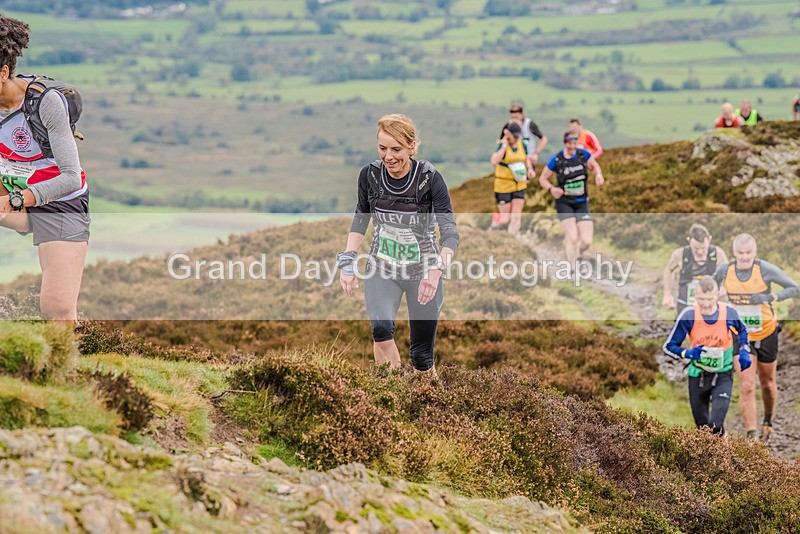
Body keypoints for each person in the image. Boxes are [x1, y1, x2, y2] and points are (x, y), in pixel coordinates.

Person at [338, 114, 458, 375]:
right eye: (382, 148)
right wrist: (347, 260)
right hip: (382, 268)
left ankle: (426, 404)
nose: (388, 156)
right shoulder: (369, 176)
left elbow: (450, 234)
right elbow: (361, 219)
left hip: (423, 273)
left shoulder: (429, 178)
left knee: (422, 356)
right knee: (381, 332)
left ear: (412, 146)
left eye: (396, 149)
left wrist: (436, 271)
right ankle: (391, 392)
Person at [0, 14, 89, 323]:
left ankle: (73, 367)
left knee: (57, 310)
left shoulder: (45, 102)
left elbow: (70, 176)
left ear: (3, 73)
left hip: (58, 199)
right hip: (11, 190)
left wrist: (15, 200)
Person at [714, 233, 800, 441]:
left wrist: (771, 297)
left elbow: (795, 288)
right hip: (741, 336)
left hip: (767, 332)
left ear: (755, 252)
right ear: (734, 253)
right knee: (746, 385)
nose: (744, 257)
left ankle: (768, 420)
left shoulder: (765, 270)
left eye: (748, 253)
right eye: (740, 253)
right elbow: (708, 289)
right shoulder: (725, 271)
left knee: (768, 383)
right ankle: (752, 438)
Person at [663, 276, 752, 436]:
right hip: (698, 375)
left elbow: (742, 331)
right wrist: (687, 353)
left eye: (709, 299)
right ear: (695, 296)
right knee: (703, 429)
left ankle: (725, 458)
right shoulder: (689, 315)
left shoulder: (728, 312)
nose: (705, 304)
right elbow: (669, 346)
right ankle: (710, 459)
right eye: (701, 299)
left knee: (716, 425)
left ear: (717, 295)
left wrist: (744, 350)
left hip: (722, 374)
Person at [538, 131, 604, 266]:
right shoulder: (557, 160)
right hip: (564, 202)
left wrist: (598, 175)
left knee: (587, 241)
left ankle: (578, 254)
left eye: (575, 143)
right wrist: (552, 189)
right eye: (570, 144)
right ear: (565, 143)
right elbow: (543, 179)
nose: (573, 146)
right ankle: (572, 268)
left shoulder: (583, 154)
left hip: (581, 202)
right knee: (573, 238)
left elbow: (595, 166)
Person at [662, 223, 728, 316]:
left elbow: (728, 272)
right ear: (689, 240)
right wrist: (667, 294)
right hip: (686, 303)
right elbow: (668, 271)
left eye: (703, 248)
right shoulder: (680, 254)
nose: (700, 252)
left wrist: (724, 286)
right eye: (696, 249)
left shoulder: (718, 253)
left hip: (710, 304)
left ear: (709, 239)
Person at [489, 121, 533, 234]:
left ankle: (512, 238)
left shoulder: (522, 144)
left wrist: (530, 169)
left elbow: (526, 158)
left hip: (520, 184)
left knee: (516, 216)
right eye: (515, 135)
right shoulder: (501, 145)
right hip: (503, 186)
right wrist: (504, 145)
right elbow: (494, 161)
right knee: (505, 219)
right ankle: (494, 227)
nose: (517, 137)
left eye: (518, 135)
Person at [505, 104, 548, 170]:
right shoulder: (509, 126)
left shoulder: (529, 124)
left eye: (516, 117)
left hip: (528, 159)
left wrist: (536, 153)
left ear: (522, 115)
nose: (514, 120)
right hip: (513, 160)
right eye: (512, 118)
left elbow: (543, 139)